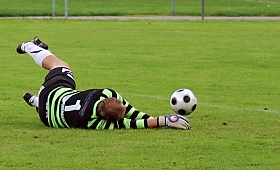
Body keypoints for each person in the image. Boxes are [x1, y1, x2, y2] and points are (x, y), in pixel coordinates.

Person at [17, 37, 191, 130]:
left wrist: (164, 120)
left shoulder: (106, 93)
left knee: (59, 66)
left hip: (53, 91)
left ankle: (30, 46)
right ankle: (36, 100)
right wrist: (164, 120)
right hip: (46, 116)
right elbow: (136, 122)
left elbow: (137, 118)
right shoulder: (94, 124)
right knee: (58, 92)